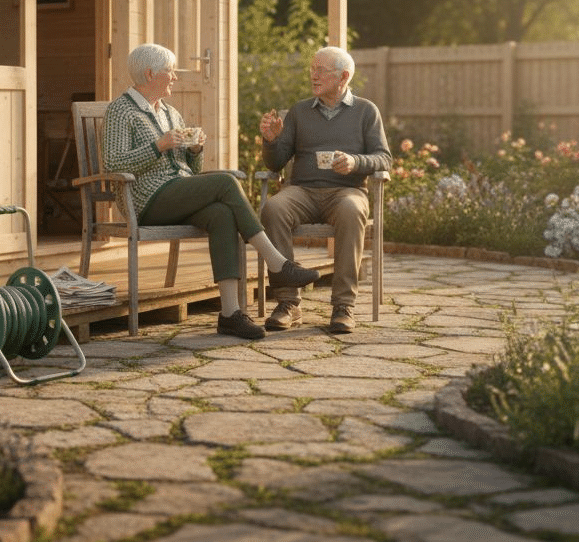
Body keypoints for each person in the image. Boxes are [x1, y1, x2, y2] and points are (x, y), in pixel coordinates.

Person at [104, 43, 319, 340]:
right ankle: (277, 263)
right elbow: (113, 163)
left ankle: (230, 313)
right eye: (170, 71)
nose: (175, 77)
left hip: (177, 191)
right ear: (150, 74)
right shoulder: (121, 110)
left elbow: (190, 170)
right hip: (144, 199)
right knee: (225, 182)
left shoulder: (170, 113)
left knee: (221, 215)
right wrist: (158, 146)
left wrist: (195, 150)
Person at [259, 46, 391, 333]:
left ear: (343, 76)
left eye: (321, 70)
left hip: (346, 191)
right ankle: (288, 303)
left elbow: (384, 158)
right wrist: (271, 141)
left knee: (351, 211)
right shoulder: (300, 111)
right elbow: (276, 162)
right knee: (273, 208)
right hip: (302, 191)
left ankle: (343, 305)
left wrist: (355, 162)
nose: (314, 75)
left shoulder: (366, 111)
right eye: (312, 69)